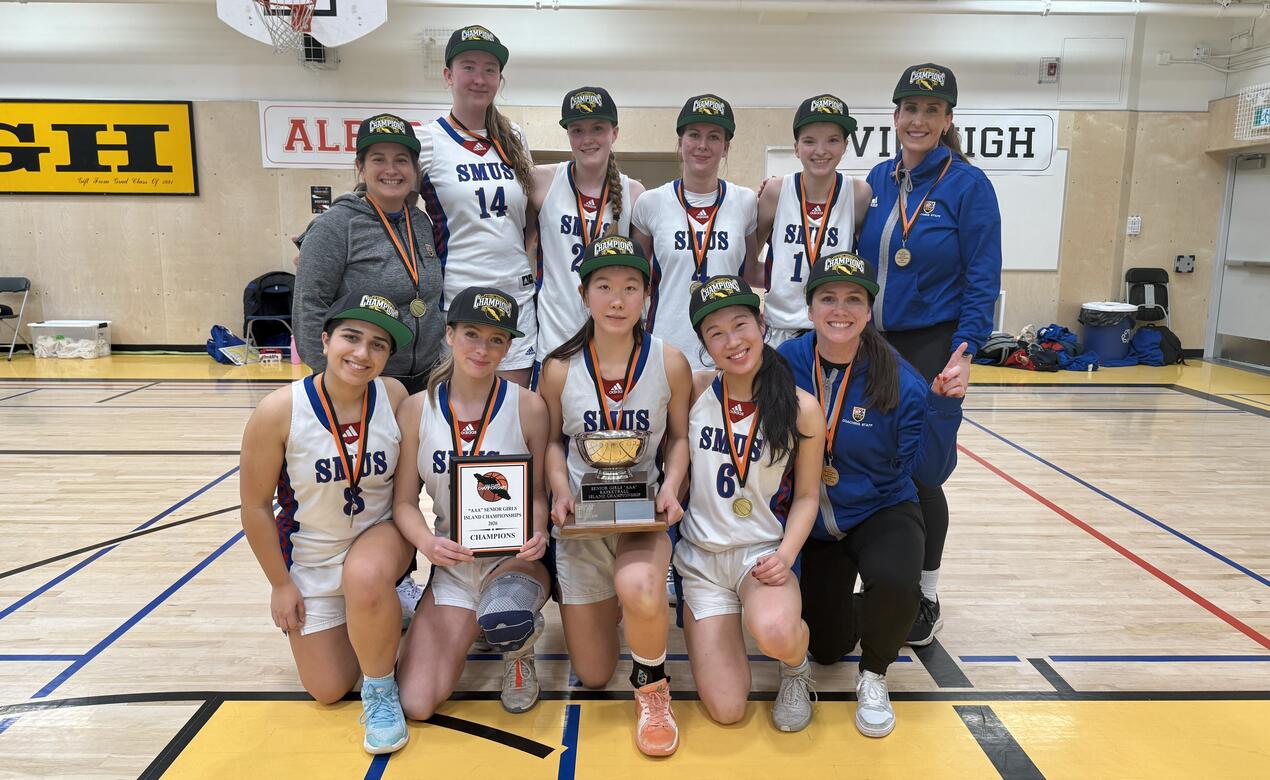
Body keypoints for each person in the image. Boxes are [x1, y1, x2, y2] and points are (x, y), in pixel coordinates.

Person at [777, 251, 965, 738]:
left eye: (853, 299)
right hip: (813, 520)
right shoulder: (786, 364)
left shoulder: (899, 377)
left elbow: (930, 472)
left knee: (898, 579)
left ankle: (875, 674)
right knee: (826, 647)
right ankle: (861, 614)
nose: (840, 310)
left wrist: (944, 408)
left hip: (880, 507)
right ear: (811, 306)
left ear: (869, 309)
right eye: (828, 299)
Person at [857, 63, 1000, 645]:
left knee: (921, 474)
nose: (918, 120)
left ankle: (926, 591)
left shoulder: (969, 186)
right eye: (909, 109)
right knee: (871, 460)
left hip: (931, 344)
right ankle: (882, 579)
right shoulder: (880, 180)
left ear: (947, 120)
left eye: (931, 111)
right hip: (874, 345)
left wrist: (963, 351)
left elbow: (982, 279)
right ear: (895, 116)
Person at [239, 292, 417, 754]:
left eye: (378, 345)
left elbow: (408, 488)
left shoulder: (393, 396)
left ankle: (381, 691)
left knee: (366, 575)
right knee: (329, 688)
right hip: (313, 560)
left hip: (381, 541)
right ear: (325, 339)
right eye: (351, 338)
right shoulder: (278, 411)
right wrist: (280, 585)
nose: (362, 353)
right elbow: (256, 507)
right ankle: (378, 611)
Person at [539, 235, 692, 757]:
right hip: (582, 521)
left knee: (643, 587)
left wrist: (671, 488)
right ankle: (627, 615)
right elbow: (555, 444)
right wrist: (559, 490)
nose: (618, 299)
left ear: (646, 296)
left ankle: (652, 689)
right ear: (585, 296)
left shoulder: (669, 362)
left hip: (641, 514)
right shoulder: (558, 368)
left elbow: (678, 438)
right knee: (595, 672)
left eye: (631, 287)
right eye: (604, 286)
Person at [392, 286, 551, 718]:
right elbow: (404, 502)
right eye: (472, 335)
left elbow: (537, 493)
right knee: (417, 702)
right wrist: (426, 543)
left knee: (508, 609)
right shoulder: (415, 410)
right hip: (453, 563)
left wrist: (536, 531)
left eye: (496, 339)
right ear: (449, 335)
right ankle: (479, 620)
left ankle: (518, 651)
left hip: (512, 560)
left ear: (508, 346)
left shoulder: (529, 407)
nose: (483, 349)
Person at [676, 276, 825, 732]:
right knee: (727, 710)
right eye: (715, 333)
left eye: (740, 324)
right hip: (702, 560)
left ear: (761, 324)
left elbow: (806, 496)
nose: (731, 341)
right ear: (703, 343)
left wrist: (785, 556)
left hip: (761, 555)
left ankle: (797, 669)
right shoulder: (694, 391)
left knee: (778, 633)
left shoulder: (802, 408)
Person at [418, 25, 538, 386]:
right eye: (468, 66)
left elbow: (529, 218)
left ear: (500, 79)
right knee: (458, 415)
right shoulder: (427, 140)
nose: (479, 78)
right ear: (447, 75)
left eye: (489, 69)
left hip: (515, 296)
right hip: (457, 298)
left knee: (511, 416)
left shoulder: (513, 137)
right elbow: (381, 202)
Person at [293, 114, 446, 395]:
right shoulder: (335, 226)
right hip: (363, 381)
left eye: (401, 159)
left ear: (414, 169)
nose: (391, 169)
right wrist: (333, 384)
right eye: (378, 159)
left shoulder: (421, 223)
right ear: (360, 167)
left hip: (427, 378)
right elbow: (309, 308)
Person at [631, 94, 759, 370]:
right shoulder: (651, 202)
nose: (702, 145)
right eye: (694, 135)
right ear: (680, 141)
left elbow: (749, 273)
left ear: (726, 147)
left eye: (714, 137)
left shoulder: (745, 201)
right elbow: (635, 279)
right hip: (665, 343)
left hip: (727, 346)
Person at [531, 86, 645, 360]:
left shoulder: (634, 193)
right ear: (568, 134)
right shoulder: (541, 182)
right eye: (577, 130)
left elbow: (642, 275)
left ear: (614, 132)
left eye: (597, 128)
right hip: (555, 338)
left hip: (612, 342)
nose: (587, 139)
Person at [756, 94, 872, 346]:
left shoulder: (859, 194)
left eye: (832, 140)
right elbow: (745, 261)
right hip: (780, 330)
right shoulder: (776, 191)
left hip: (835, 329)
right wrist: (774, 285)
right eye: (809, 141)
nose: (820, 151)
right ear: (796, 147)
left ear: (845, 146)